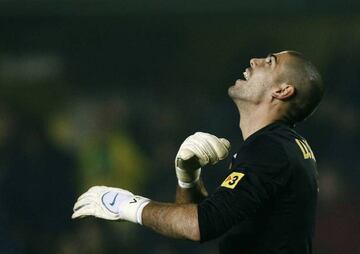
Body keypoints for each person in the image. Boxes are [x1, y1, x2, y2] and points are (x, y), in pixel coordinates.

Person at [72, 50, 324, 254]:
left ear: (282, 90)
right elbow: (208, 225)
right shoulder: (279, 146)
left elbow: (202, 225)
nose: (254, 60)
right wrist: (188, 176)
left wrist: (125, 205)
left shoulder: (270, 149)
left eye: (269, 62)